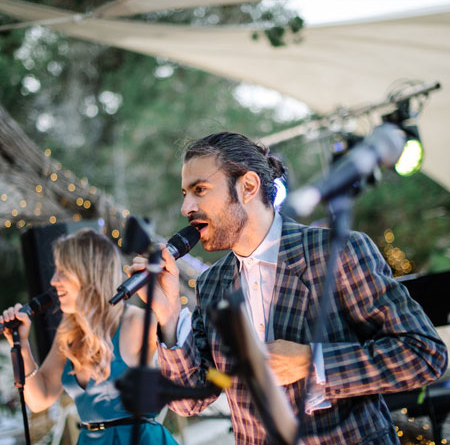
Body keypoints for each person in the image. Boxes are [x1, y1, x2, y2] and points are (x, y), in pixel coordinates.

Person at [130, 132, 448, 445]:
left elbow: (424, 354)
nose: (186, 207)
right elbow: (189, 402)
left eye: (199, 189)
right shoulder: (213, 283)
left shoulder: (335, 251)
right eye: (185, 193)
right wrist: (168, 313)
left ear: (248, 187)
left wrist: (313, 362)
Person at [1, 228, 178, 445]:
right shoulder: (69, 333)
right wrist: (22, 345)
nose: (54, 281)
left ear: (89, 273)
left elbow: (184, 365)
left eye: (63, 271)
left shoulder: (138, 322)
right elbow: (40, 399)